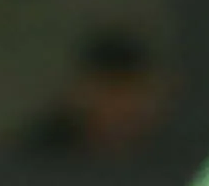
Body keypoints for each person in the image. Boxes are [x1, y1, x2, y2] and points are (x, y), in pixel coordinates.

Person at [20, 26, 168, 158]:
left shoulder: (166, 152)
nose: (125, 107)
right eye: (113, 93)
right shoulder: (41, 157)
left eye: (135, 94)